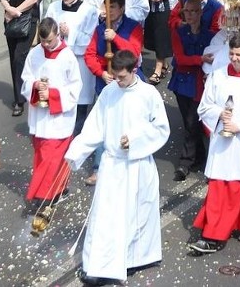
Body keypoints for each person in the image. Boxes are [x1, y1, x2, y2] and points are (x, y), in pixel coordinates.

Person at [65, 49, 169, 284]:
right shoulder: (110, 92)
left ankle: (135, 259)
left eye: (122, 77)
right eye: (115, 75)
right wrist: (76, 151)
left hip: (138, 164)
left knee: (137, 215)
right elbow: (95, 126)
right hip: (113, 165)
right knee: (107, 218)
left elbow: (161, 129)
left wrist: (134, 140)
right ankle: (101, 266)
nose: (117, 81)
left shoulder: (148, 94)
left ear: (134, 71)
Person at [188, 32, 240, 254]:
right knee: (222, 188)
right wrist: (219, 114)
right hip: (223, 144)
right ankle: (212, 235)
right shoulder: (218, 76)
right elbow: (204, 107)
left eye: (239, 54)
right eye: (231, 54)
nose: (234, 59)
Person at [82, 0, 143, 185]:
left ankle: (133, 161)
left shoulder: (134, 27)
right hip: (106, 83)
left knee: (130, 121)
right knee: (105, 123)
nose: (109, 11)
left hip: (128, 82)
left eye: (113, 7)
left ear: (122, 8)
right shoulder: (99, 28)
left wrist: (115, 37)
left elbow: (134, 52)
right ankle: (98, 168)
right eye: (106, 7)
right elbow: (90, 54)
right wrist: (101, 73)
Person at [21, 17, 82, 203]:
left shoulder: (68, 56)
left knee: (52, 158)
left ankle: (43, 195)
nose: (46, 45)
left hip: (59, 118)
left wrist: (52, 95)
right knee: (42, 155)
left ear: (58, 34)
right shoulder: (34, 54)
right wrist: (35, 85)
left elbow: (75, 87)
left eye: (50, 41)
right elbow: (26, 78)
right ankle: (59, 189)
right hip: (39, 115)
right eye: (43, 40)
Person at [168, 0, 215, 182]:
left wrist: (198, 61)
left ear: (200, 13)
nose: (190, 15)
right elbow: (180, 59)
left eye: (194, 11)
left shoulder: (209, 35)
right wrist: (201, 59)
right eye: (187, 11)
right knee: (189, 122)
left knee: (193, 121)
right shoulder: (178, 31)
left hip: (198, 83)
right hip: (182, 82)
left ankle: (185, 162)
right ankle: (199, 156)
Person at [45, 0, 99, 136]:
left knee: (79, 102)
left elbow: (90, 39)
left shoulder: (89, 11)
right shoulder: (54, 7)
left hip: (79, 62)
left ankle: (75, 136)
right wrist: (56, 35)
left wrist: (70, 33)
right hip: (59, 61)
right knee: (59, 97)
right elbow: (46, 32)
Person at [0, 0, 41, 117]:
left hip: (27, 19)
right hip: (10, 19)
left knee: (20, 57)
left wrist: (17, 10)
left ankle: (21, 99)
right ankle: (20, 93)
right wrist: (8, 9)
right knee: (12, 57)